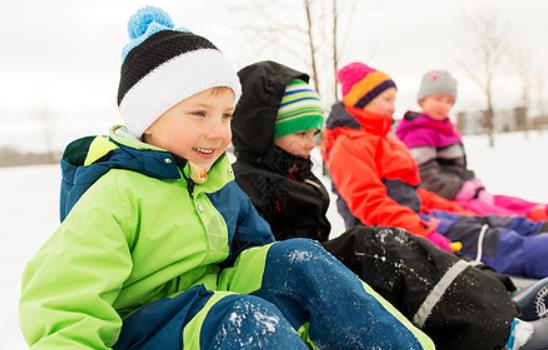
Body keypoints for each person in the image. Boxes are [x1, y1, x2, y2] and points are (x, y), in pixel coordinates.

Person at [18, 7, 435, 350]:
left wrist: (295, 278)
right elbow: (63, 306)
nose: (219, 132)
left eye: (227, 116)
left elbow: (255, 252)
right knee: (241, 317)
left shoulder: (213, 180)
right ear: (148, 118)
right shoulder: (115, 194)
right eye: (199, 113)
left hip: (214, 301)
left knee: (299, 259)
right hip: (147, 332)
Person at [231, 60, 548, 350]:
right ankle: (500, 333)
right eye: (300, 133)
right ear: (263, 132)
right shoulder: (249, 186)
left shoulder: (298, 175)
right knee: (380, 248)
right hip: (291, 280)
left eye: (314, 133)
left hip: (316, 264)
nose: (310, 144)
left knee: (422, 248)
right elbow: (367, 203)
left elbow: (416, 193)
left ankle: (501, 303)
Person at [321, 62, 548, 279]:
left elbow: (413, 194)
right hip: (391, 234)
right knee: (491, 241)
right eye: (387, 100)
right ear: (362, 101)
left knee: (485, 221)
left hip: (416, 219)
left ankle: (539, 231)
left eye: (394, 100)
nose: (393, 107)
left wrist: (455, 210)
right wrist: (425, 230)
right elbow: (370, 205)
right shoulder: (349, 146)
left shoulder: (381, 139)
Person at [396, 70, 548, 222]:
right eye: (438, 99)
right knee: (503, 215)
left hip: (459, 192)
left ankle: (541, 211)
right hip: (444, 199)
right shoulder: (418, 132)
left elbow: (457, 169)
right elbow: (427, 179)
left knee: (509, 202)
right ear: (422, 100)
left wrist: (473, 183)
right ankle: (535, 224)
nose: (444, 105)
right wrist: (464, 190)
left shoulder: (446, 129)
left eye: (449, 101)